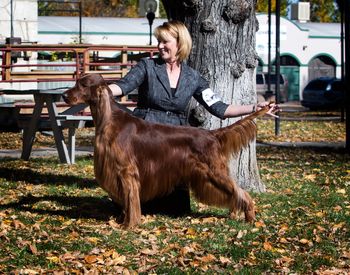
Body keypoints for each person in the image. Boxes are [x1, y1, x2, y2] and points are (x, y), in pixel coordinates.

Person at [108, 20, 280, 215]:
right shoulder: (146, 67)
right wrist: (101, 90)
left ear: (180, 44)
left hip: (176, 145)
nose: (159, 46)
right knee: (136, 203)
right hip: (146, 140)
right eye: (158, 42)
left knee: (177, 210)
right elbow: (123, 86)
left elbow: (219, 108)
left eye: (165, 42)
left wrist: (254, 107)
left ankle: (239, 201)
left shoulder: (193, 77)